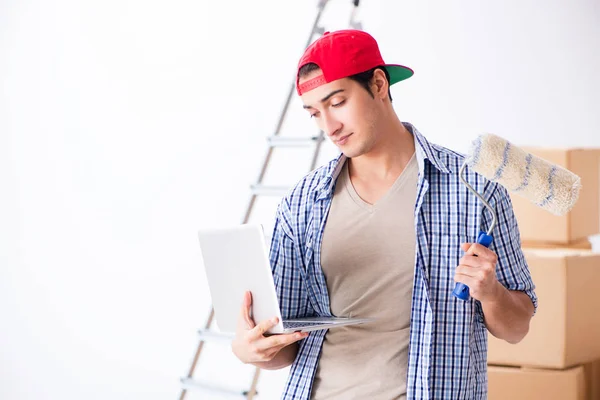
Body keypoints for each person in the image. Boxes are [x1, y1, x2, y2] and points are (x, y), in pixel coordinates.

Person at [231, 29, 537, 400]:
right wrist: (255, 352)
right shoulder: (303, 202)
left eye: (338, 102)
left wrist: (490, 293)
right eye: (315, 113)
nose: (329, 127)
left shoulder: (473, 190)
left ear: (378, 83)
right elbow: (286, 343)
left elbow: (517, 327)